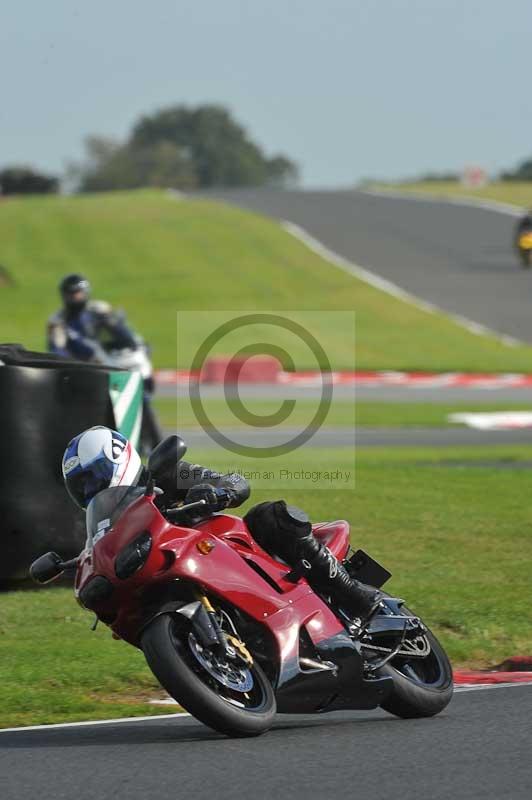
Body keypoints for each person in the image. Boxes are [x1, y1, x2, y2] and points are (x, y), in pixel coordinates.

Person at [62, 427, 382, 625]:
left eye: (94, 476)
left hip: (226, 547)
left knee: (269, 516)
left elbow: (235, 482)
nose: (91, 488)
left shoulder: (166, 474)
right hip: (179, 570)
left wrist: (219, 493)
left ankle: (353, 594)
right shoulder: (111, 525)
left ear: (118, 457)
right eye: (82, 486)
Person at [47, 274, 139, 361]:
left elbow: (122, 333)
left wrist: (132, 344)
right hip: (80, 364)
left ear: (85, 291)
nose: (75, 297)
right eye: (70, 293)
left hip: (109, 358)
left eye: (77, 292)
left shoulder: (99, 309)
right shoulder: (58, 320)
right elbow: (57, 349)